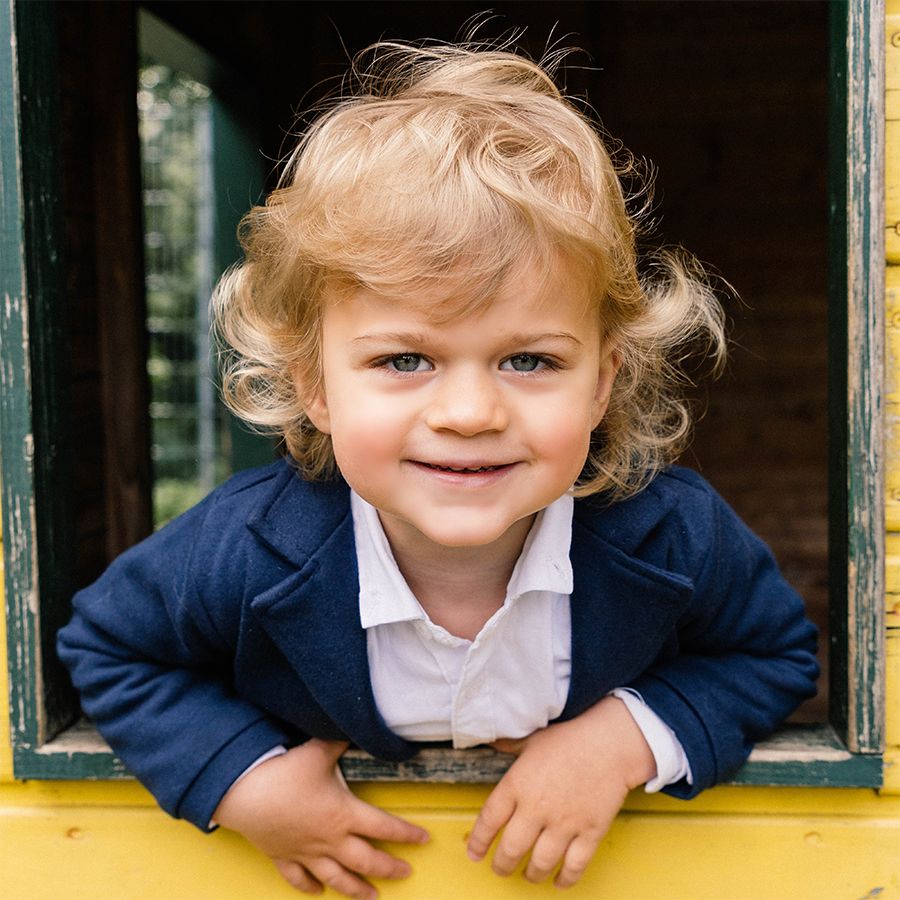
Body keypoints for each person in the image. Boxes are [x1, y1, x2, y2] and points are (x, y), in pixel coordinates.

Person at [58, 39, 818, 900]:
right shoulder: (249, 544)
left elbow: (773, 654)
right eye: (404, 360)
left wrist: (618, 742)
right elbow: (111, 648)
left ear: (604, 380)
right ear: (313, 384)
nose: (469, 413)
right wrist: (244, 780)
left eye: (529, 360)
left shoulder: (669, 531)